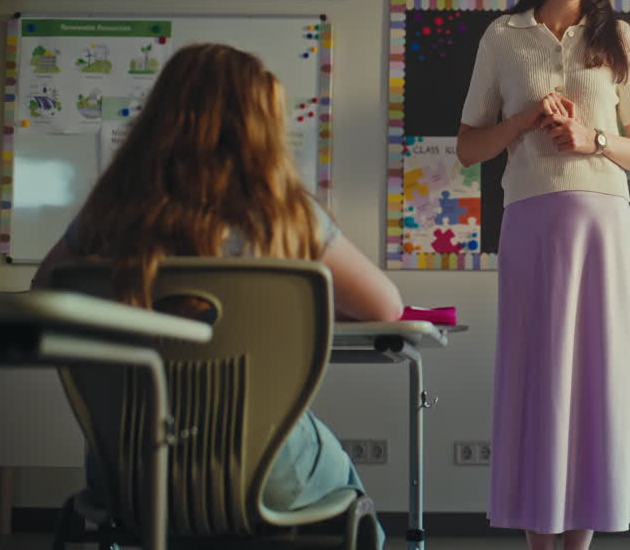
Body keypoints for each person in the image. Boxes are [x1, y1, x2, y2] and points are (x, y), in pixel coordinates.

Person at [30, 43, 402, 534]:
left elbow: (42, 296)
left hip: (128, 471)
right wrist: (304, 312)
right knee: (349, 496)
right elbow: (386, 307)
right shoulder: (285, 217)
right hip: (268, 471)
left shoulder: (107, 214)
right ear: (258, 126)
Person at [456, 0, 630, 550]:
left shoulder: (619, 38)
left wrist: (592, 137)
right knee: (538, 378)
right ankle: (537, 543)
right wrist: (522, 122)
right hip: (532, 222)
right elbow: (468, 148)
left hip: (604, 223)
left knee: (597, 380)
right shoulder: (504, 36)